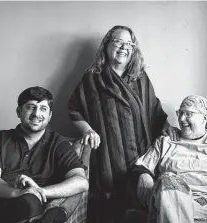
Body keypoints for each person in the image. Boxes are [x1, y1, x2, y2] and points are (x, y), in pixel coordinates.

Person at [68, 25, 176, 222]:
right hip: (107, 155)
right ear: (107, 45)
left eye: (129, 43)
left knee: (138, 207)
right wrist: (88, 130)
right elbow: (74, 108)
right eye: (118, 41)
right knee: (108, 210)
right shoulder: (92, 78)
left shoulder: (141, 78)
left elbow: (155, 111)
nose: (124, 47)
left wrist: (167, 133)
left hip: (140, 155)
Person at [132, 95, 207, 223]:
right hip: (170, 197)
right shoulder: (166, 142)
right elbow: (141, 166)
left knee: (169, 209)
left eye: (188, 114)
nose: (181, 119)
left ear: (204, 118)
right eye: (180, 113)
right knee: (168, 181)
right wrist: (144, 176)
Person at [0, 86, 89, 223]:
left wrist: (38, 191)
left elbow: (81, 182)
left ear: (49, 116)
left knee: (30, 202)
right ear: (19, 111)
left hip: (32, 209)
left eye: (43, 109)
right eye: (31, 107)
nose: (37, 114)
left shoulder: (59, 144)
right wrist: (17, 192)